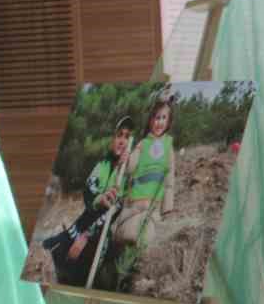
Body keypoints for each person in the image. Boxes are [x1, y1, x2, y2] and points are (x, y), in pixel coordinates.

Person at [41, 116, 132, 287]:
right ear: (111, 139)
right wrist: (100, 199)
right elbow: (89, 195)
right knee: (47, 251)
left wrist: (87, 236)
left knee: (80, 280)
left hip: (98, 238)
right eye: (119, 135)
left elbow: (114, 210)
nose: (123, 141)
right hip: (78, 229)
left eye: (127, 137)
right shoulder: (102, 166)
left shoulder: (127, 174)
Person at [108, 96, 177, 280]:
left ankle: (130, 278)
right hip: (134, 203)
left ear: (168, 122)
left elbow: (169, 179)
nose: (159, 122)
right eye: (155, 117)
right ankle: (115, 275)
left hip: (153, 205)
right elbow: (130, 168)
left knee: (144, 242)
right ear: (150, 120)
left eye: (163, 118)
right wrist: (125, 158)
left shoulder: (169, 147)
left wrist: (168, 207)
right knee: (126, 236)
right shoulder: (142, 144)